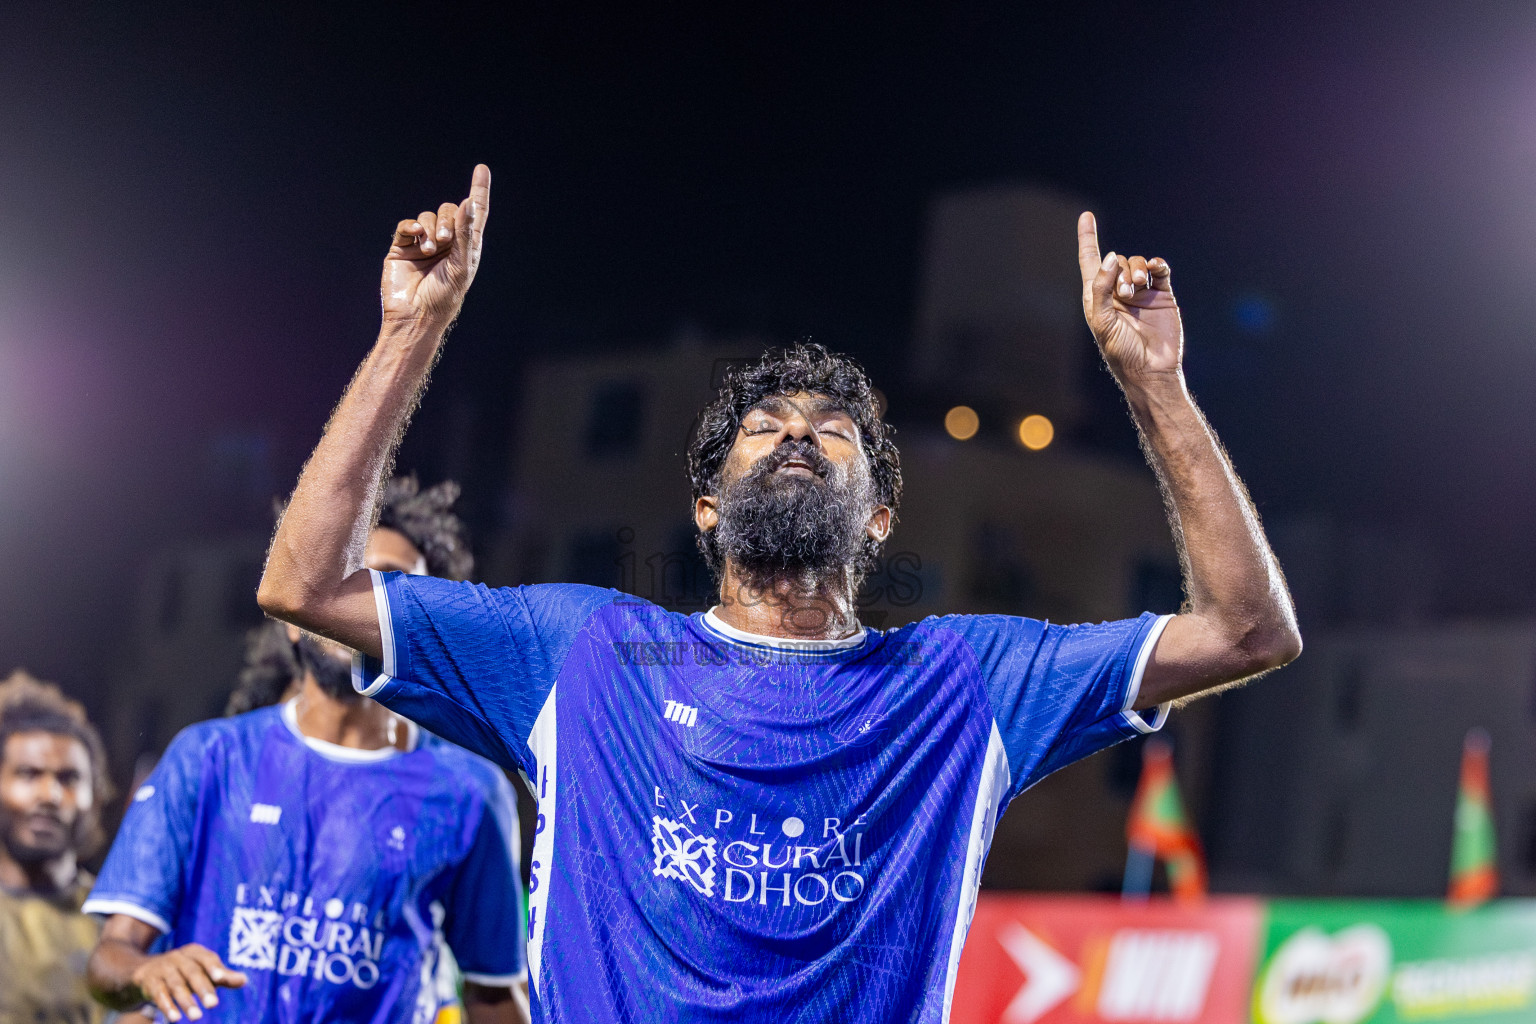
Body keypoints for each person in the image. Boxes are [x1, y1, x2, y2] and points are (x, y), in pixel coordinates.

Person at [256, 166, 1301, 1022]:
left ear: (879, 522)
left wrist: (1153, 384)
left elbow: (1247, 629)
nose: (799, 431)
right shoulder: (581, 647)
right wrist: (411, 330)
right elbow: (304, 581)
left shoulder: (963, 682)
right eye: (767, 427)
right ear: (705, 510)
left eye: (833, 432)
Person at [85, 478, 530, 1024]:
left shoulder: (470, 791)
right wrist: (142, 974)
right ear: (296, 618)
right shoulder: (208, 758)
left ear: (420, 626)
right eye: (343, 581)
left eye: (391, 588)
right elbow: (109, 960)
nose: (361, 602)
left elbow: (492, 996)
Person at [0, 670, 112, 1024]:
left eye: (68, 778)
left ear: (94, 794)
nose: (49, 795)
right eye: (29, 774)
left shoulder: (118, 922)